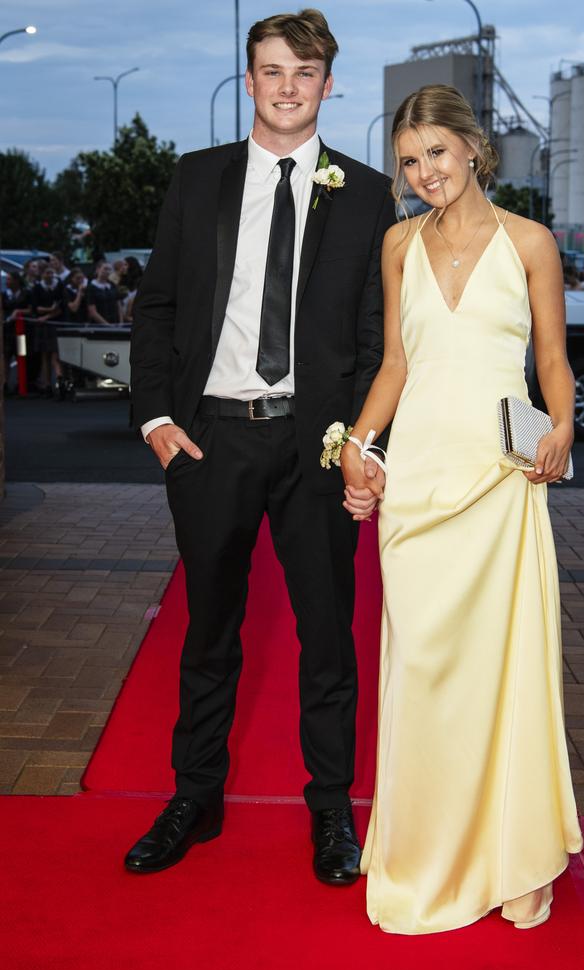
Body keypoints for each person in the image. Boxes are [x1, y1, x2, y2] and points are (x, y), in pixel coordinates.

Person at [126, 9, 394, 880]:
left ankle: (331, 814)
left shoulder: (365, 192)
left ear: (327, 84)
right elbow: (159, 305)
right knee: (209, 632)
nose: (288, 86)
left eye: (305, 72)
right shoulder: (197, 178)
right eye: (272, 70)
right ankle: (194, 797)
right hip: (211, 442)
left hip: (317, 447)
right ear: (249, 81)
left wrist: (362, 443)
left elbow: (373, 332)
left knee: (328, 637)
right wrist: (159, 420)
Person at [340, 84, 583, 934]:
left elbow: (552, 358)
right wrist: (360, 442)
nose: (423, 172)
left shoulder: (531, 243)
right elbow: (397, 366)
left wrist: (564, 425)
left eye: (436, 152)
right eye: (409, 161)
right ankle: (420, 854)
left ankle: (512, 859)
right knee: (423, 677)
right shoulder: (397, 245)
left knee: (501, 674)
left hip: (497, 483)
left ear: (473, 148)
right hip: (419, 488)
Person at [31, 264, 64, 393]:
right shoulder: (37, 287)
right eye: (47, 273)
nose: (49, 275)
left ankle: (59, 381)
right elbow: (35, 307)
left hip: (54, 324)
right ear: (42, 274)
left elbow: (61, 307)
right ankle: (46, 385)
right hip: (43, 326)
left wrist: (47, 315)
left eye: (51, 272)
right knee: (44, 355)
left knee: (55, 355)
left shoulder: (59, 286)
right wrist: (49, 310)